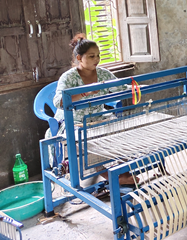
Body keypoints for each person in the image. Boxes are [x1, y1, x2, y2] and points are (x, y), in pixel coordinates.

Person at [50, 34, 134, 185]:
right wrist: (85, 92)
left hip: (99, 117)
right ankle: (109, 176)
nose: (97, 59)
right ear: (79, 58)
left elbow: (121, 87)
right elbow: (59, 102)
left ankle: (122, 172)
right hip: (74, 121)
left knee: (122, 133)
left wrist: (139, 88)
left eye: (98, 55)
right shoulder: (68, 77)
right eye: (91, 56)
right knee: (89, 142)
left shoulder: (102, 73)